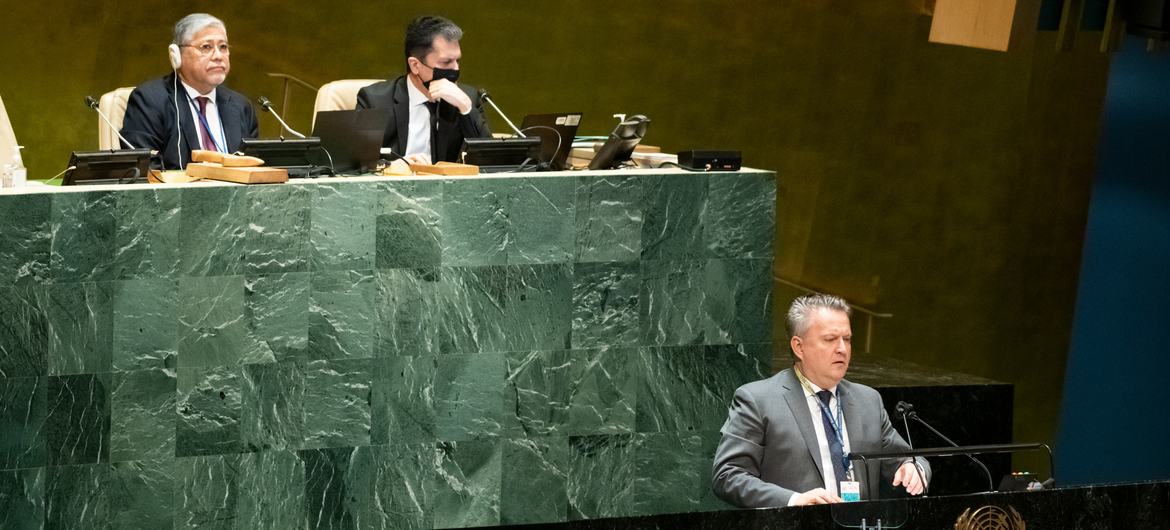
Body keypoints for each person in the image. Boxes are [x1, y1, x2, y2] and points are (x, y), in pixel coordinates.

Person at [712, 293, 931, 507]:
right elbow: (728, 476)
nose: (842, 349)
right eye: (830, 339)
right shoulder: (758, 400)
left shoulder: (868, 401)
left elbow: (909, 460)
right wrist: (794, 501)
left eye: (847, 339)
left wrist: (914, 469)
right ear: (799, 347)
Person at [120, 13, 259, 169]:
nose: (218, 56)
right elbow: (146, 171)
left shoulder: (241, 107)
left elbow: (253, 170)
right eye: (206, 47)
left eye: (223, 47)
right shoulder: (149, 101)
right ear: (177, 55)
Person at [356, 15, 490, 164]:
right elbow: (355, 164)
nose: (456, 69)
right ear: (415, 65)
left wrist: (466, 109)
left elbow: (491, 161)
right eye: (446, 62)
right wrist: (390, 167)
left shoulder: (467, 98)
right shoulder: (375, 100)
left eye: (457, 61)